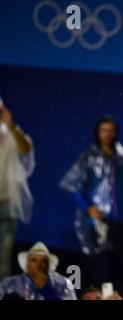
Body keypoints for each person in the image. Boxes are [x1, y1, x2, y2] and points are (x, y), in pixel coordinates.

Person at [59, 116, 123, 288]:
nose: (107, 134)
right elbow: (70, 184)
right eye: (103, 130)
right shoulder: (89, 158)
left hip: (120, 221)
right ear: (98, 133)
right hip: (98, 223)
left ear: (116, 133)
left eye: (111, 130)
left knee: (119, 268)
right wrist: (88, 207)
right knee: (100, 270)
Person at [0, 100, 35, 281]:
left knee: (3, 256)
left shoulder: (12, 135)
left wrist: (11, 126)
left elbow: (26, 148)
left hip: (6, 204)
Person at [0, 242, 76, 300]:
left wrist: (45, 288)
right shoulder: (10, 284)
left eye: (43, 261)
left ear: (48, 264)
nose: (38, 265)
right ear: (27, 264)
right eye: (34, 260)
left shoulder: (63, 284)